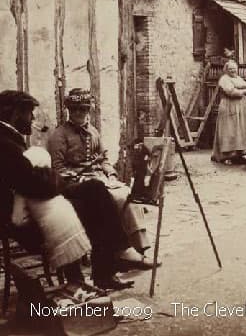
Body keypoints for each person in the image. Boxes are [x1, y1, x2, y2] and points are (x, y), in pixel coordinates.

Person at [0, 90, 97, 300]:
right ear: (15, 114)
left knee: (89, 193)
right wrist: (55, 180)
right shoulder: (5, 144)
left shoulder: (9, 139)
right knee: (83, 205)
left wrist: (47, 178)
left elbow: (32, 181)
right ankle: (83, 277)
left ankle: (79, 276)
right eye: (29, 113)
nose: (33, 118)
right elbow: (34, 185)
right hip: (20, 222)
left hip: (25, 206)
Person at [48, 89, 152, 274]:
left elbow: (103, 158)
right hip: (77, 183)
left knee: (128, 195)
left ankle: (139, 249)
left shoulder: (93, 131)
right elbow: (57, 168)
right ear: (69, 110)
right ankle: (119, 251)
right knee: (116, 198)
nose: (79, 113)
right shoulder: (59, 135)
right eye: (75, 109)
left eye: (83, 109)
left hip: (99, 178)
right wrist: (76, 176)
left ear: (88, 110)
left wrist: (110, 174)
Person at [212, 60, 246, 163]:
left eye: (234, 68)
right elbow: (231, 92)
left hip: (241, 107)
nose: (233, 70)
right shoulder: (224, 79)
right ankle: (226, 155)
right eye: (230, 68)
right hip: (229, 106)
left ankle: (239, 154)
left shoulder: (239, 78)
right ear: (226, 70)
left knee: (240, 129)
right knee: (229, 130)